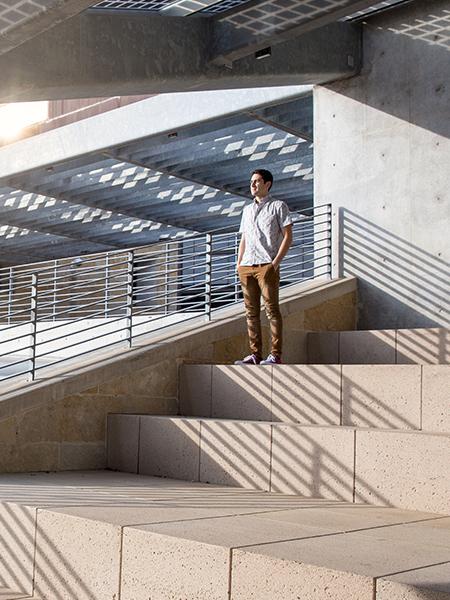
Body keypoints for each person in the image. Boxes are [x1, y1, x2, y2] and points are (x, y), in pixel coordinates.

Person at [235, 169, 292, 365]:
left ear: (267, 184)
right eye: (251, 181)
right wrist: (238, 262)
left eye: (257, 181)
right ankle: (255, 354)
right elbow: (244, 238)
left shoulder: (278, 206)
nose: (253, 185)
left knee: (271, 310)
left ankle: (275, 355)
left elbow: (288, 236)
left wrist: (275, 264)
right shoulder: (246, 210)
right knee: (251, 313)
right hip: (246, 265)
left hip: (266, 265)